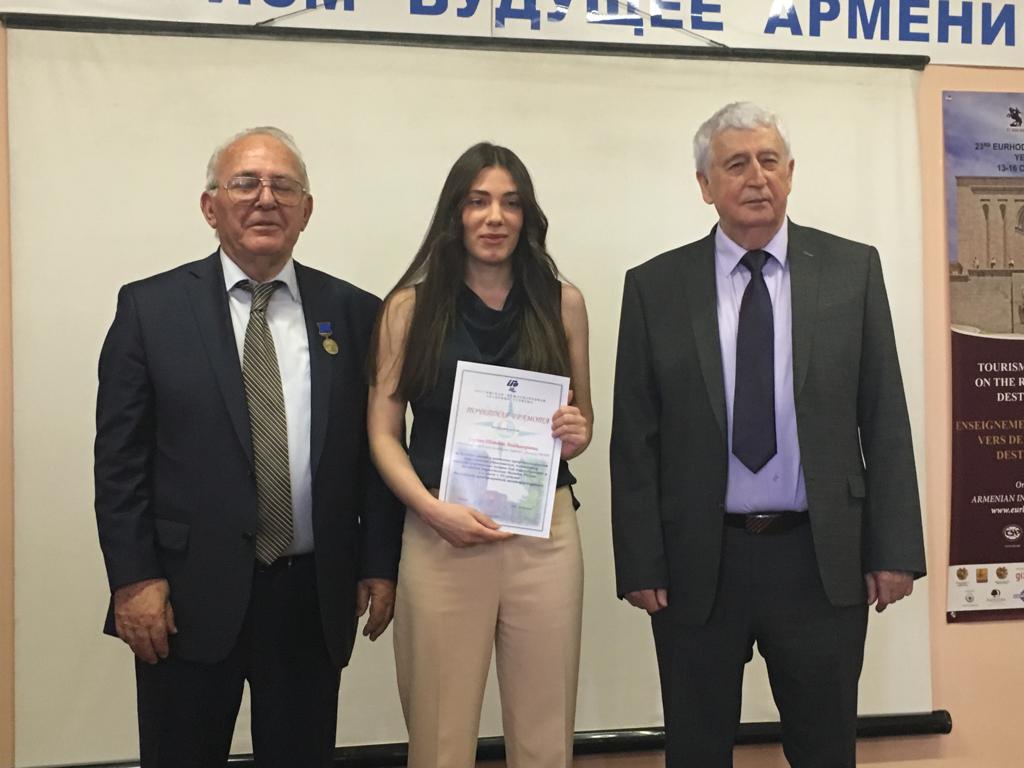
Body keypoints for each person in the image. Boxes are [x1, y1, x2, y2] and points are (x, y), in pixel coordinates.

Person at [610, 102, 927, 768]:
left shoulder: (851, 271)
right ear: (705, 185)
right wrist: (640, 562)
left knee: (825, 748)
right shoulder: (655, 287)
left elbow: (884, 417)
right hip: (699, 562)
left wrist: (895, 549)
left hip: (818, 559)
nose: (757, 177)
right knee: (696, 749)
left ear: (790, 172)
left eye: (769, 161)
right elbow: (635, 439)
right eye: (736, 164)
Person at [93, 126, 404, 767]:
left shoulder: (355, 313)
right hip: (184, 595)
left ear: (306, 211)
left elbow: (376, 452)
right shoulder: (150, 309)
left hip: (310, 594)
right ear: (210, 207)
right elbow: (119, 463)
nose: (266, 199)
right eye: (246, 183)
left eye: (283, 187)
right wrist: (133, 579)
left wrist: (379, 561)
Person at [367, 142, 593, 768]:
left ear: (526, 217)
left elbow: (583, 420)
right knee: (440, 730)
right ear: (455, 214)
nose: (495, 217)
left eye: (510, 203)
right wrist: (431, 510)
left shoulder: (563, 302)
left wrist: (576, 431)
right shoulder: (407, 309)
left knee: (546, 729)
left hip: (544, 533)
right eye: (478, 201)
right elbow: (383, 434)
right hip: (442, 531)